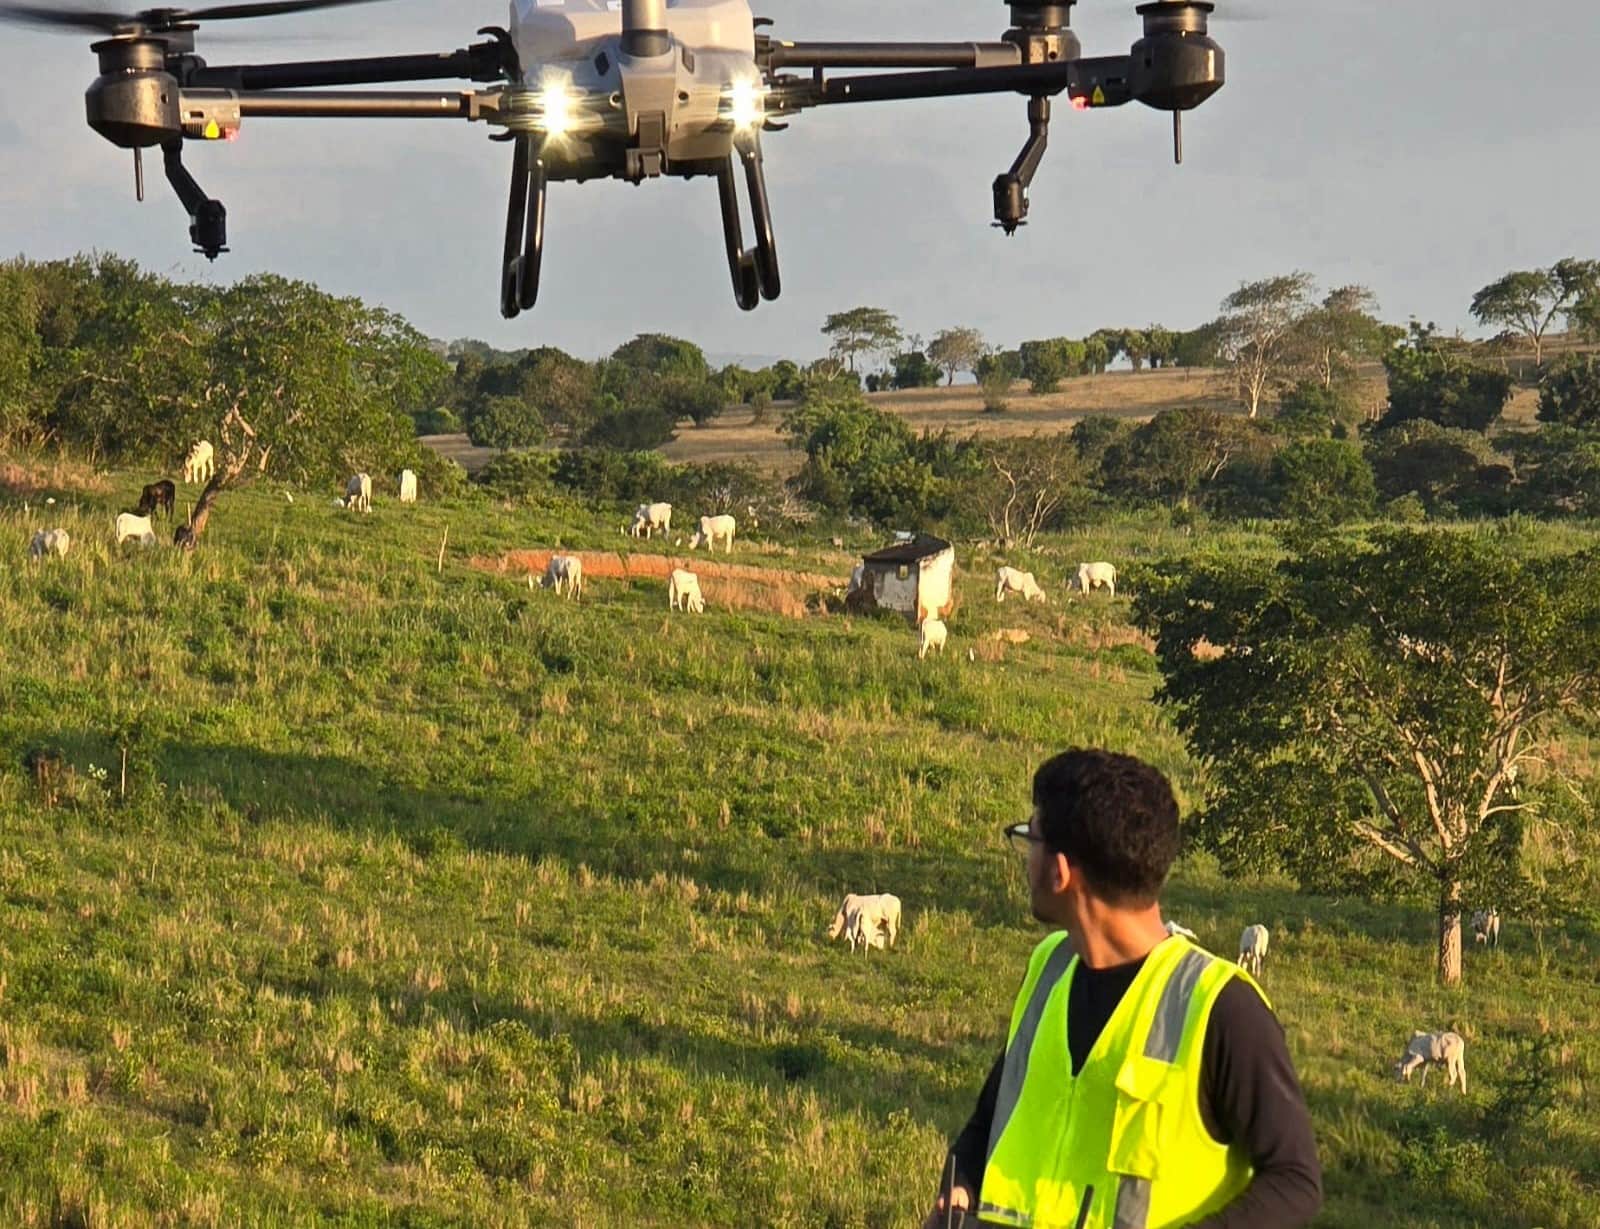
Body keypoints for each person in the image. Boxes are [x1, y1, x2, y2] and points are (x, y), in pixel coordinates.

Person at [922, 749, 1322, 1229]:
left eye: (1030, 838)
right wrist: (960, 1179)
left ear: (1061, 871)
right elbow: (993, 1116)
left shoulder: (1222, 1007)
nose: (1025, 854)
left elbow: (1295, 1181)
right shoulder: (1047, 968)